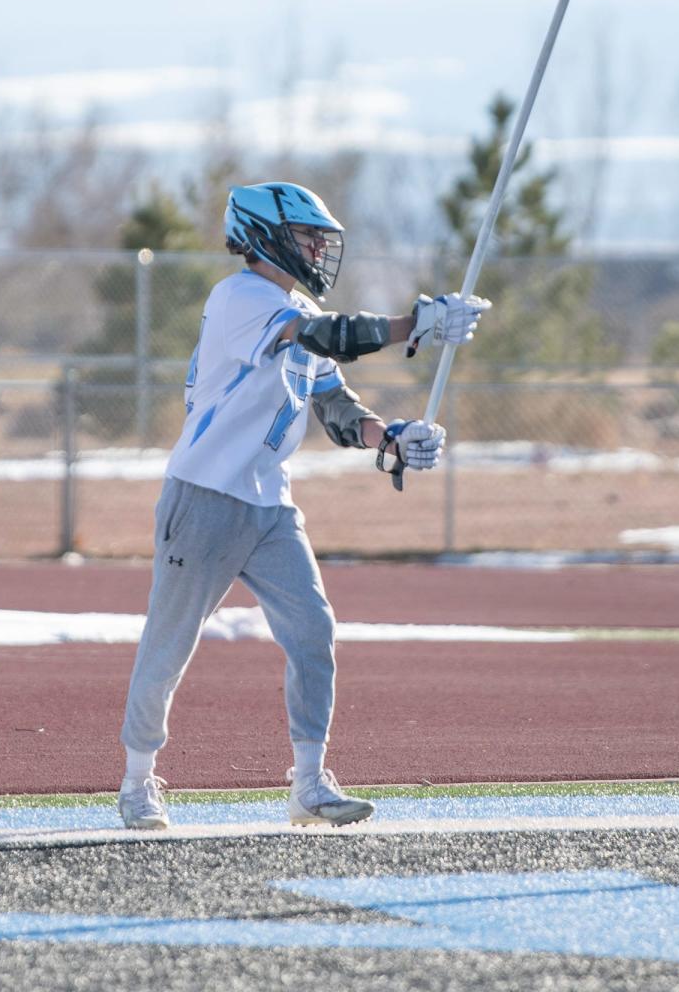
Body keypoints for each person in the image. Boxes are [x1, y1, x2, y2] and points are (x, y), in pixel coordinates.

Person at [118, 181, 490, 831]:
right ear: (263, 236)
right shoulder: (240, 298)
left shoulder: (291, 307)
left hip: (268, 503)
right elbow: (323, 336)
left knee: (313, 632)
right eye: (306, 237)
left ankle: (309, 785)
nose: (318, 249)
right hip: (205, 496)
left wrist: (393, 439)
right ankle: (137, 781)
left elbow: (338, 409)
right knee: (169, 645)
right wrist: (414, 326)